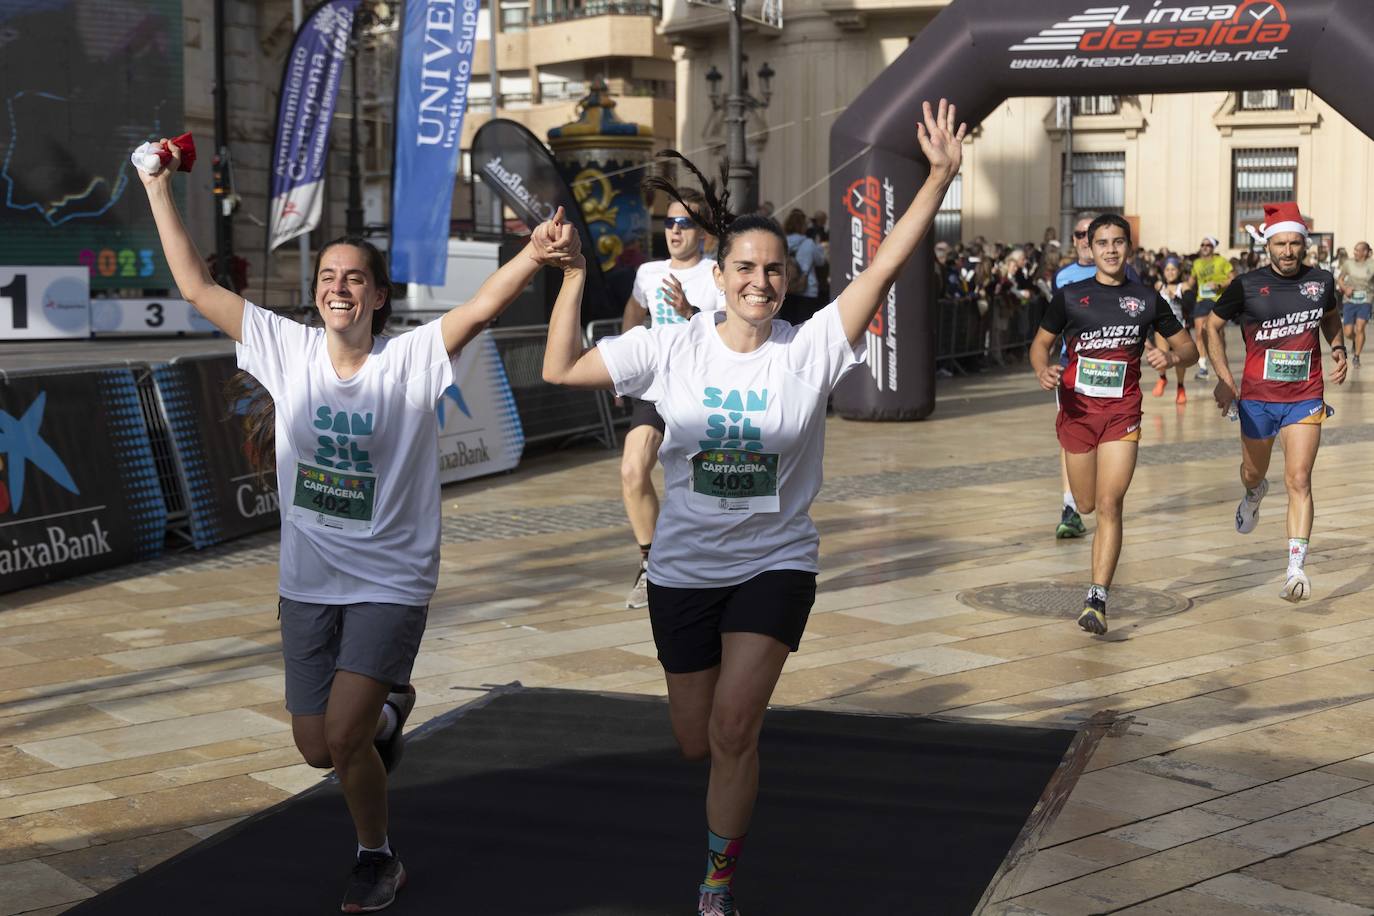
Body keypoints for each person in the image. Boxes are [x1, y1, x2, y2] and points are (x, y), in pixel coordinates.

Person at [542, 99, 965, 916]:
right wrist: (566, 277)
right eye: (746, 268)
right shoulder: (671, 346)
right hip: (682, 569)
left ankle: (716, 881)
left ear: (786, 279)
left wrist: (940, 177)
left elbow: (880, 267)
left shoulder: (808, 349)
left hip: (775, 563)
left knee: (736, 728)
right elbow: (559, 369)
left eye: (774, 270)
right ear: (721, 275)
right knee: (696, 740)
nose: (761, 282)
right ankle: (730, 775)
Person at [140, 139, 578, 912]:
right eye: (328, 278)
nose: (339, 288)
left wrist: (537, 257)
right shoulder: (287, 348)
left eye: (355, 279)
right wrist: (155, 186)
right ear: (317, 294)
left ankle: (376, 855)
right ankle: (385, 712)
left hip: (390, 579)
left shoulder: (408, 361)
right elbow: (195, 286)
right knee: (317, 747)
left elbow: (481, 308)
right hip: (308, 582)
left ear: (378, 296)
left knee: (343, 741)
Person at [1031, 214, 1197, 635]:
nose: (1109, 249)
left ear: (1129, 247)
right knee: (1085, 504)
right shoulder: (1069, 296)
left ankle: (1097, 598)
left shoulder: (1147, 300)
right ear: (1089, 246)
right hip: (1077, 414)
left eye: (1118, 242)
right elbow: (1040, 345)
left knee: (1110, 504)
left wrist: (1171, 358)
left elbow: (1189, 349)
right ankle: (1092, 567)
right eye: (1101, 242)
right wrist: (1042, 370)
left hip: (1122, 414)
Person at [1205, 202, 1348, 602]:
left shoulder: (1321, 282)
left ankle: (1295, 569)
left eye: (1294, 244)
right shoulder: (1246, 285)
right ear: (1268, 245)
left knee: (1299, 479)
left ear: (1305, 244)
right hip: (1256, 400)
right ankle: (1253, 493)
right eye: (1280, 244)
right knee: (1254, 472)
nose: (1288, 251)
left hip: (1304, 397)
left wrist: (1337, 347)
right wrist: (1224, 378)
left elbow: (1330, 315)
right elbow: (1211, 327)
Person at [620, 190, 724, 607]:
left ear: (701, 232)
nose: (675, 231)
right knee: (632, 470)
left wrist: (689, 312)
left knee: (706, 483)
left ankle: (719, 563)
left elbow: (727, 326)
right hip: (656, 387)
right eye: (669, 222)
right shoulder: (648, 272)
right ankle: (651, 564)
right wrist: (625, 362)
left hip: (703, 389)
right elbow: (633, 310)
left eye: (684, 223)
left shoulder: (716, 272)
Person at [1152, 256, 1196, 404]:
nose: (1170, 273)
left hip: (1180, 329)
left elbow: (1191, 306)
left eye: (1173, 269)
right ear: (1163, 271)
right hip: (1162, 328)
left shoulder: (1183, 287)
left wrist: (1175, 298)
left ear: (1178, 271)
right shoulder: (1158, 286)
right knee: (1161, 354)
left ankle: (1180, 386)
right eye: (1167, 269)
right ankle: (1162, 377)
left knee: (1180, 361)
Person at [1190, 235, 1234, 380]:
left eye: (1208, 245)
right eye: (1203, 245)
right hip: (1202, 300)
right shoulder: (1196, 263)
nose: (1205, 247)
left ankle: (1222, 362)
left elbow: (1233, 278)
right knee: (1199, 333)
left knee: (1218, 334)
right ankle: (1203, 367)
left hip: (1217, 300)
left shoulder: (1221, 261)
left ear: (1213, 247)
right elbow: (1191, 282)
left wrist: (1219, 285)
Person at [781, 208, 825, 324]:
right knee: (805, 327)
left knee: (787, 326)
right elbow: (820, 261)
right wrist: (820, 247)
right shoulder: (809, 243)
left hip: (786, 290)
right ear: (803, 226)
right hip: (807, 290)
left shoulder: (781, 242)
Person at [1339, 241, 1372, 368]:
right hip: (1350, 299)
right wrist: (1345, 288)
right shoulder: (1348, 263)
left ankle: (1356, 357)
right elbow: (1340, 279)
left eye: (1358, 250)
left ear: (1365, 252)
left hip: (1366, 299)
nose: (1355, 253)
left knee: (1360, 328)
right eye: (1354, 250)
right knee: (1348, 332)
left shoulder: (1372, 264)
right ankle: (1354, 340)